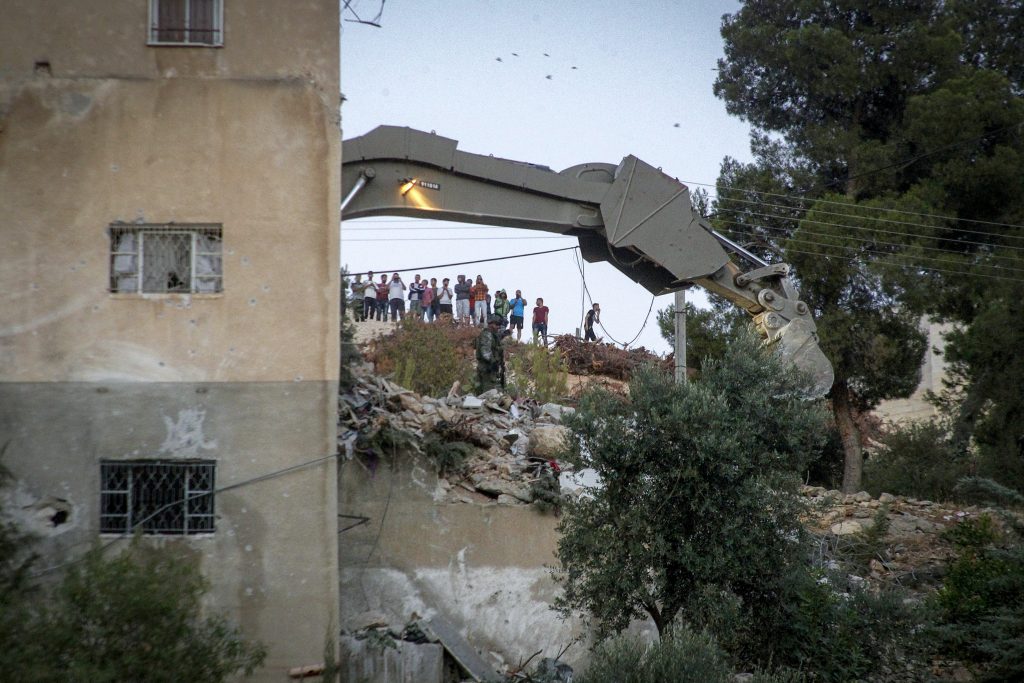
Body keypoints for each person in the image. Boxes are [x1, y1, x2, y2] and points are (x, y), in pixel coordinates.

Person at [475, 314, 506, 393]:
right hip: (487, 370)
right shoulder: (487, 334)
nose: (498, 327)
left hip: (492, 370)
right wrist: (493, 363)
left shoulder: (493, 335)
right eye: (497, 324)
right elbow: (485, 352)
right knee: (489, 395)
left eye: (499, 325)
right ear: (491, 324)